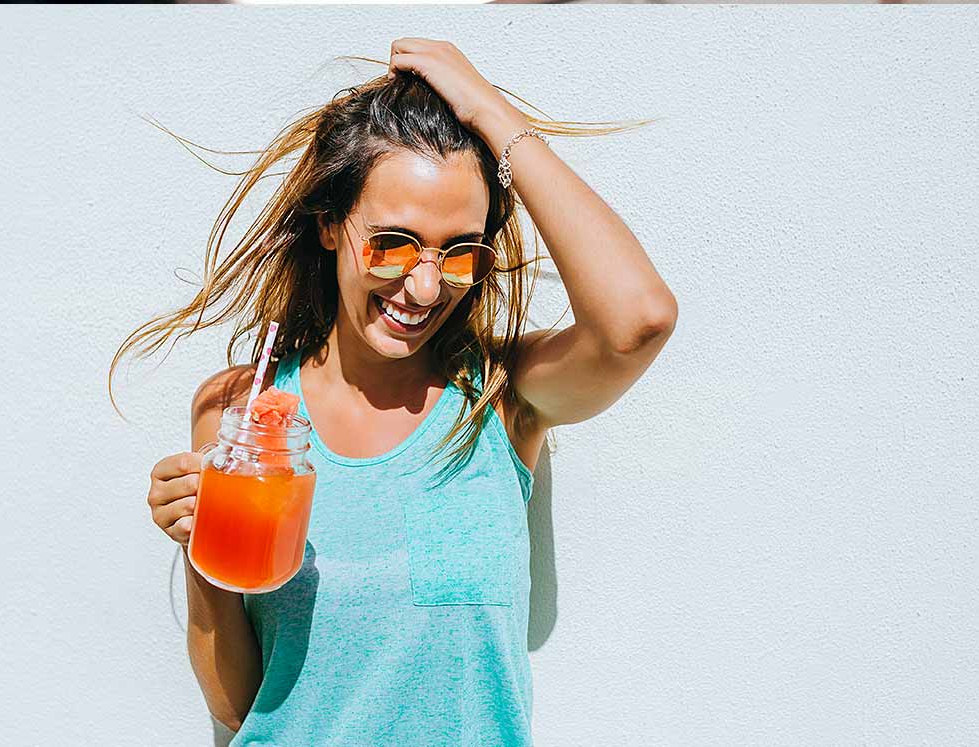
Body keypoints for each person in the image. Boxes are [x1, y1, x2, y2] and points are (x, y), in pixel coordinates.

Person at [113, 38, 678, 746]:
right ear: (328, 224)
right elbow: (235, 703)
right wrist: (205, 548)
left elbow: (638, 320)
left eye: (460, 251)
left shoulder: (500, 400)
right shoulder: (243, 408)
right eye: (394, 243)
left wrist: (489, 112)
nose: (424, 285)